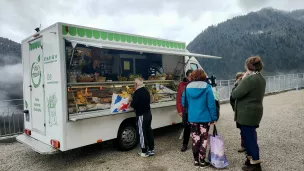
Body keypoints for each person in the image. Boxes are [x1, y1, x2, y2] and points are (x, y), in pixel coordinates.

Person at [232, 56, 266, 171]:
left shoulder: (249, 79)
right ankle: (250, 159)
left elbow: (235, 94)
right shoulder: (261, 78)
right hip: (255, 111)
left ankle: (255, 164)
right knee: (249, 136)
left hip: (246, 113)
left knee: (249, 138)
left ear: (249, 66)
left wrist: (241, 80)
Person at [182, 69, 217, 168]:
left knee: (195, 139)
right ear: (203, 76)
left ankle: (196, 161)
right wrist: (214, 117)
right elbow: (211, 104)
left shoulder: (187, 87)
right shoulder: (207, 87)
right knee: (204, 139)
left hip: (192, 118)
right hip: (205, 119)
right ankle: (202, 161)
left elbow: (184, 102)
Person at [130, 77, 155, 157]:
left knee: (142, 133)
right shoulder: (146, 90)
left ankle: (144, 151)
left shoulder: (137, 92)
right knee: (148, 131)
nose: (133, 85)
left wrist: (130, 100)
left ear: (136, 84)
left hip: (141, 115)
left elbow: (133, 105)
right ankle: (151, 149)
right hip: (148, 113)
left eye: (134, 83)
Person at [176, 69, 193, 152]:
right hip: (185, 110)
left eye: (193, 76)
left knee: (195, 127)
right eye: (190, 76)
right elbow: (178, 98)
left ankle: (195, 143)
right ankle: (185, 144)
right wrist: (179, 110)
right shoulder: (182, 85)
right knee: (186, 128)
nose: (191, 77)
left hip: (194, 110)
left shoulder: (195, 84)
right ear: (186, 76)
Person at [230, 72, 246, 153]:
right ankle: (244, 145)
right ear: (236, 79)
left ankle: (249, 145)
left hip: (246, 111)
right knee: (242, 129)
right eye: (240, 78)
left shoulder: (246, 86)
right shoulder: (235, 88)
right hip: (239, 112)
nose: (241, 79)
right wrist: (235, 109)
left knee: (249, 129)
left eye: (242, 77)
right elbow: (232, 100)